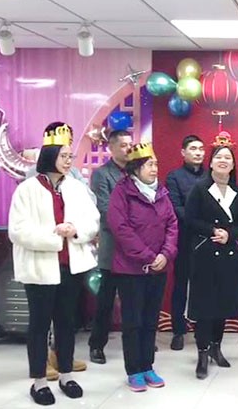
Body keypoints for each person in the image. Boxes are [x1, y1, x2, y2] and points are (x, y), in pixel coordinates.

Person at [8, 122, 99, 405]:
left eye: (71, 156)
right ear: (49, 156)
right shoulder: (27, 190)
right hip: (39, 269)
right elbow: (18, 231)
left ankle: (66, 375)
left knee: (66, 323)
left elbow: (93, 220)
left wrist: (76, 229)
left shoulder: (76, 188)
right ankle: (38, 381)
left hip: (70, 267)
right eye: (64, 155)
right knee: (39, 325)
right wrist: (54, 236)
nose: (69, 161)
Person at [107, 143, 178, 392]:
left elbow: (172, 225)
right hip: (131, 270)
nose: (154, 169)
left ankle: (148, 365)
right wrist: (148, 256)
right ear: (136, 168)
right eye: (149, 164)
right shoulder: (122, 192)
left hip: (158, 268)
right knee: (133, 321)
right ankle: (134, 370)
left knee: (150, 320)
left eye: (156, 164)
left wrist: (165, 254)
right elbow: (120, 228)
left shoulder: (161, 192)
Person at [185, 133, 238, 379]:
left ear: (233, 164)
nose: (223, 161)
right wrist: (213, 230)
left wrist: (230, 234)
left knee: (222, 304)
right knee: (204, 305)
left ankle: (216, 348)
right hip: (205, 253)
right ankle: (202, 353)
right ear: (210, 163)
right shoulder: (199, 189)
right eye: (218, 157)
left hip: (229, 254)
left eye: (227, 158)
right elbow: (190, 219)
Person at [88, 129, 133, 364]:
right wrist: (133, 226)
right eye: (123, 145)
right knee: (105, 300)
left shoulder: (136, 172)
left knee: (133, 300)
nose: (128, 149)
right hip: (113, 247)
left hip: (135, 249)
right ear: (111, 148)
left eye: (130, 144)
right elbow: (105, 210)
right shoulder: (102, 175)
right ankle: (97, 345)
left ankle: (135, 341)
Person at [166, 134, 205, 351]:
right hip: (184, 239)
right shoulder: (174, 177)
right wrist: (199, 223)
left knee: (206, 286)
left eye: (201, 149)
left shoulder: (211, 175)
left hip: (209, 240)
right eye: (193, 149)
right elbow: (175, 207)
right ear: (183, 152)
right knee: (181, 285)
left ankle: (203, 330)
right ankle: (179, 330)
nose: (198, 152)